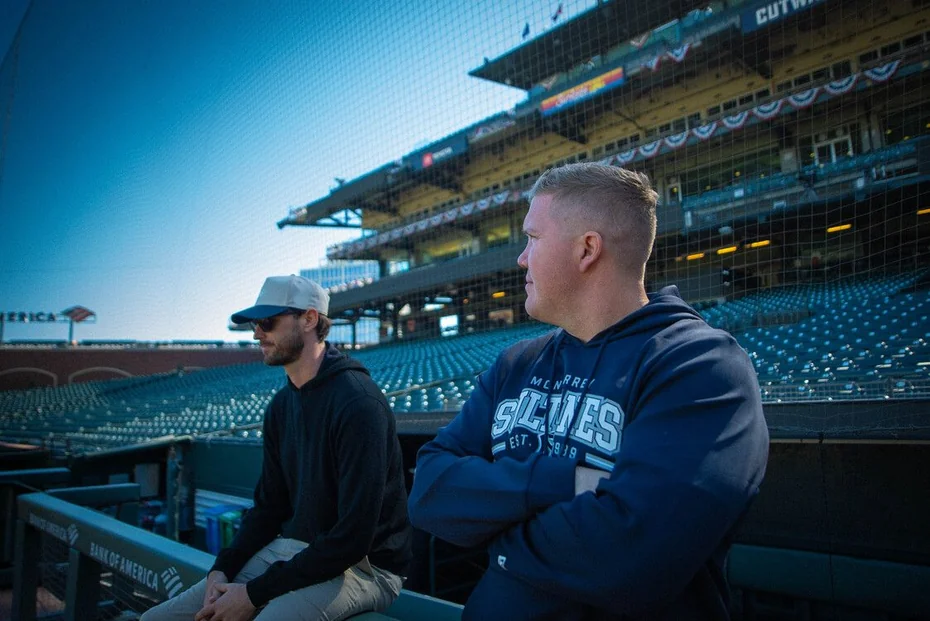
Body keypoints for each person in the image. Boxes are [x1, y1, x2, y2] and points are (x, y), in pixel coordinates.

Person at [407, 163, 769, 620]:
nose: (521, 258)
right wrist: (566, 481)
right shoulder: (515, 364)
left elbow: (631, 559)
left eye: (533, 238)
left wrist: (497, 541)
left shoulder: (699, 365)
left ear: (587, 249)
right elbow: (429, 490)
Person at [142, 275, 412, 621]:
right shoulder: (280, 407)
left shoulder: (359, 403)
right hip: (297, 551)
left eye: (268, 322)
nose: (257, 333)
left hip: (366, 568)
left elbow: (352, 539)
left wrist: (253, 595)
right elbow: (269, 508)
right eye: (255, 324)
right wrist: (222, 569)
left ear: (310, 319)